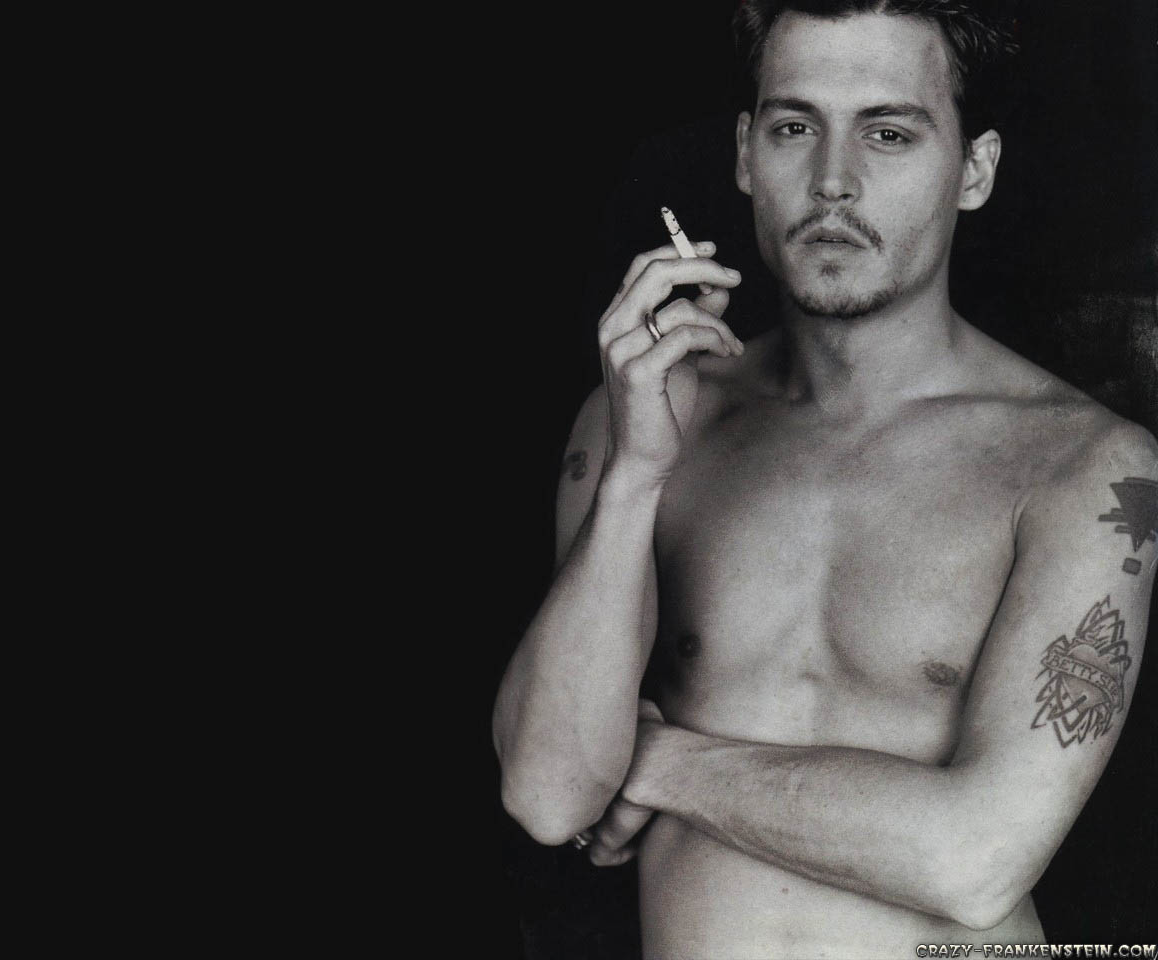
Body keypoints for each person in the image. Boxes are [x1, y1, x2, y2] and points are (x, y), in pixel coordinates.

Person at [491, 1, 1158, 956]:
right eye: (795, 127)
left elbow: (977, 861)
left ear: (974, 170)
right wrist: (636, 473)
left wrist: (657, 761)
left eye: (888, 133)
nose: (832, 180)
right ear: (745, 155)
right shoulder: (639, 421)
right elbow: (550, 795)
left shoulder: (1086, 468)